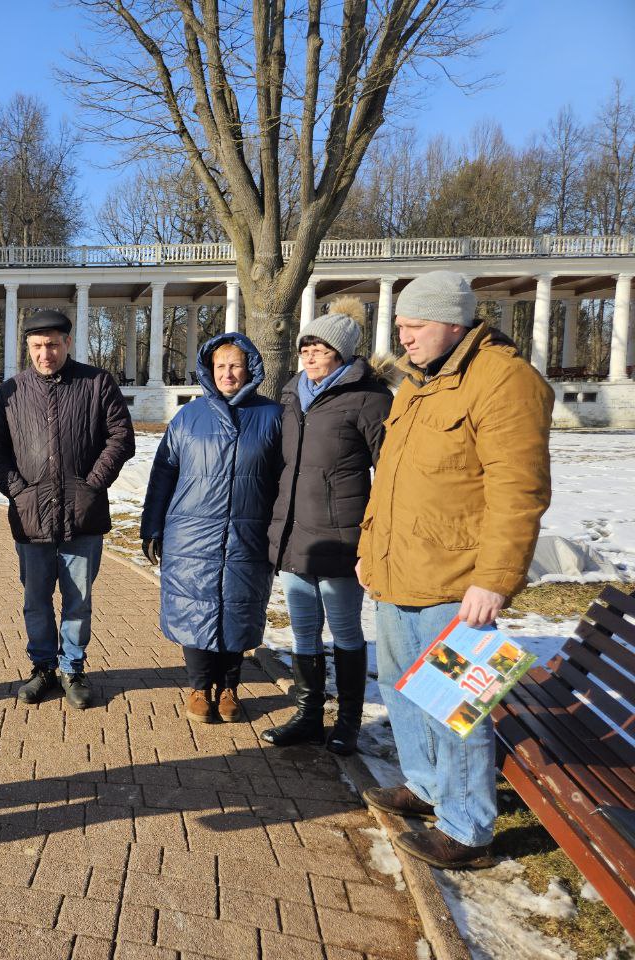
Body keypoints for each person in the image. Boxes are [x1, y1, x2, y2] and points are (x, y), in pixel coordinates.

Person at [357, 270, 553, 869]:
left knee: (457, 709)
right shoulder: (417, 384)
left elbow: (519, 491)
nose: (403, 338)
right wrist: (369, 548)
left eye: (413, 327)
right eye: (400, 326)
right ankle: (424, 787)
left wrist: (495, 580)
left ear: (452, 322)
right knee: (402, 691)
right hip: (398, 572)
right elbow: (391, 479)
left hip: (458, 584)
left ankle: (468, 828)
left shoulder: (504, 382)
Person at [0, 309, 135, 709]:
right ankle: (43, 667)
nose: (44, 353)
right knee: (36, 598)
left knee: (78, 600)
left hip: (83, 517)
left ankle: (73, 668)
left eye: (51, 344)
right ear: (27, 348)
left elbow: (120, 437)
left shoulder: (97, 383)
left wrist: (92, 485)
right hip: (31, 518)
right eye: (36, 346)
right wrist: (17, 490)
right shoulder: (11, 391)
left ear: (67, 342)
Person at [262, 298, 392, 754]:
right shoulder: (292, 394)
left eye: (319, 348)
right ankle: (308, 714)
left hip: (341, 536)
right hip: (296, 535)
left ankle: (349, 722)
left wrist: (374, 535)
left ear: (342, 353)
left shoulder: (370, 398)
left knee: (346, 631)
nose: (309, 355)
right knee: (302, 631)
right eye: (305, 347)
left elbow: (390, 474)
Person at [140, 334, 282, 723]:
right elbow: (163, 473)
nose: (228, 373)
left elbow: (285, 479)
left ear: (250, 368)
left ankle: (230, 688)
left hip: (248, 535)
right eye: (220, 366)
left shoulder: (273, 416)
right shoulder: (189, 416)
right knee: (195, 608)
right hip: (192, 534)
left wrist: (282, 530)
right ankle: (199, 687)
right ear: (208, 370)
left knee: (239, 609)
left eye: (235, 365)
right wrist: (152, 526)